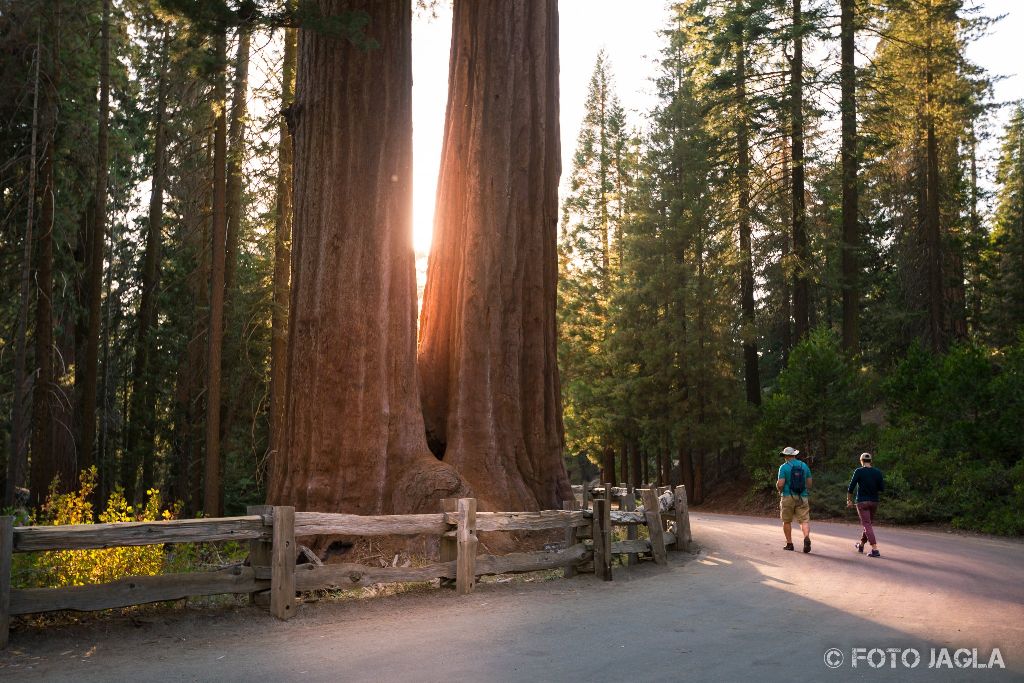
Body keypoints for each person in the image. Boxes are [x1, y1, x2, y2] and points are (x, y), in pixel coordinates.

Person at [848, 452, 885, 557]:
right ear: (871, 461)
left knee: (867, 524)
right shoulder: (877, 472)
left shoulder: (859, 471)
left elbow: (851, 487)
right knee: (868, 524)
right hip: (874, 502)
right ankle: (861, 545)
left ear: (861, 461)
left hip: (862, 502)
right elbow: (882, 488)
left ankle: (875, 550)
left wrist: (849, 500)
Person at [776, 446, 813, 552]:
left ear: (785, 456)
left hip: (788, 496)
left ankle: (789, 544)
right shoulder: (804, 465)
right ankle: (806, 538)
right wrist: (805, 490)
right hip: (802, 496)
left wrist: (778, 488)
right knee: (804, 520)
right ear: (794, 455)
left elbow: (781, 483)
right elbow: (809, 483)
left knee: (786, 521)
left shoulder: (783, 467)